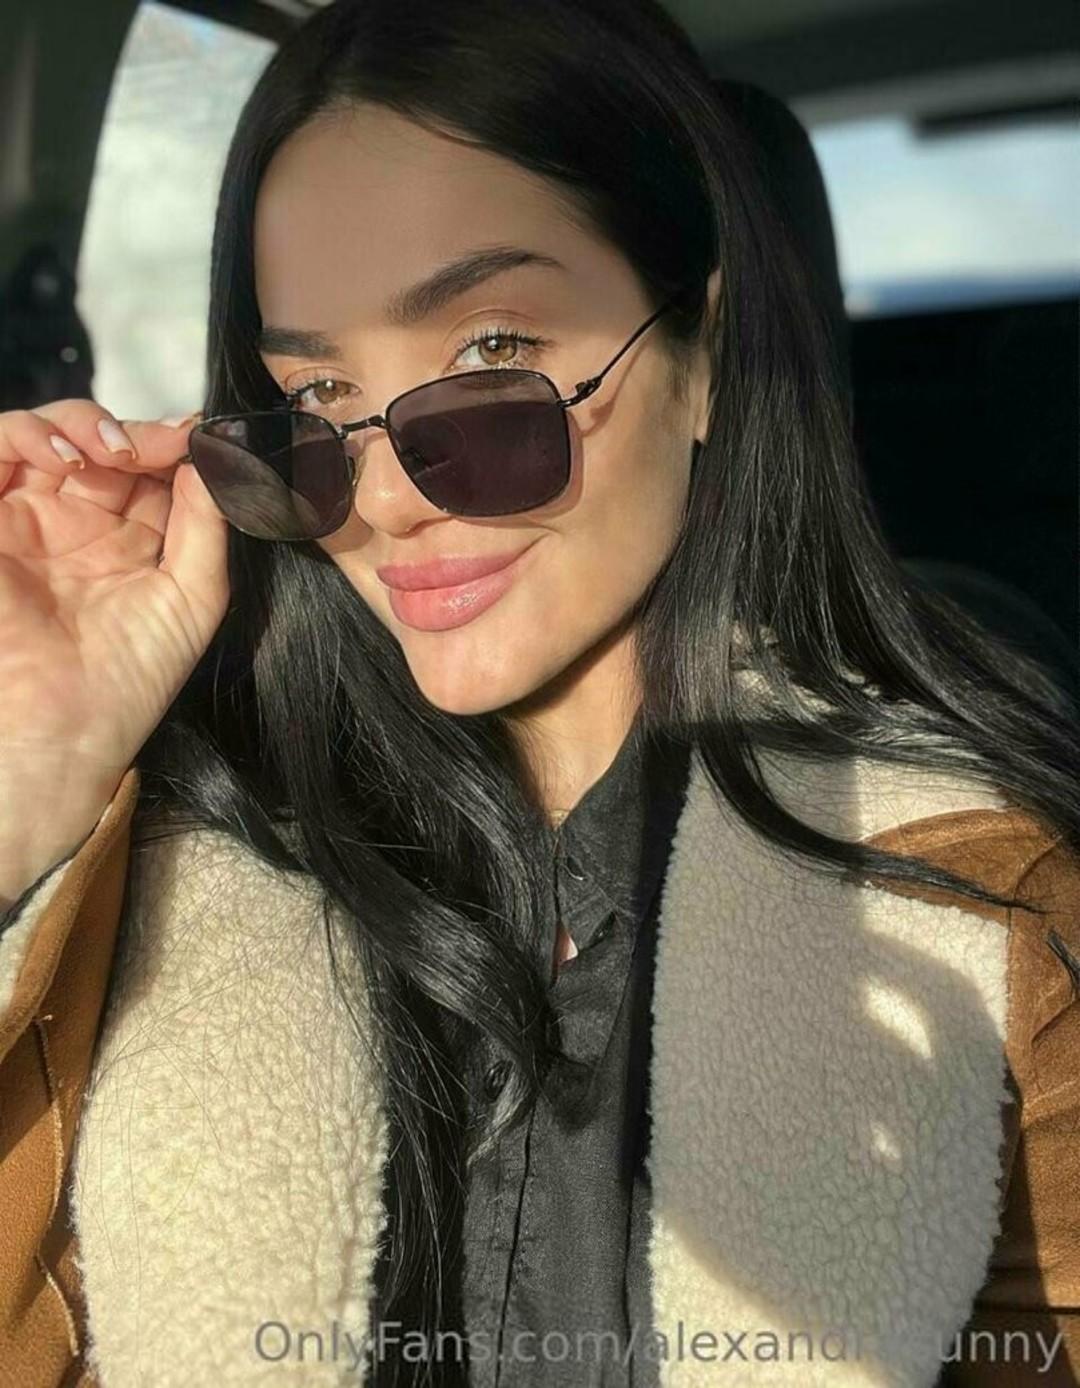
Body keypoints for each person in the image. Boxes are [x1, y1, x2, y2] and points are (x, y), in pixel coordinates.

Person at [1, 1, 1078, 1385]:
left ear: (703, 354)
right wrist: (27, 781)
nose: (386, 500)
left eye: (493, 357)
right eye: (316, 400)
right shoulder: (179, 873)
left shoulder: (977, 898)